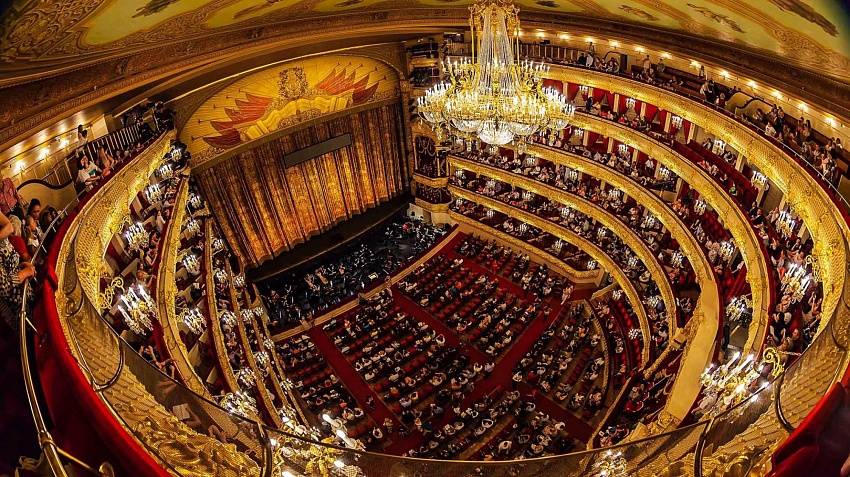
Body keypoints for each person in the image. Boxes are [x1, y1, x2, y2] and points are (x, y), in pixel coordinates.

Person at [0, 211, 35, 329]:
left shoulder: (3, 235)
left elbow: (9, 226)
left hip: (24, 294)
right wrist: (25, 272)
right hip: (17, 308)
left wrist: (21, 266)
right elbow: (5, 288)